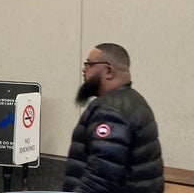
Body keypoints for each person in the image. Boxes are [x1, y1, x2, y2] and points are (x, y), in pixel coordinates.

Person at [63, 43, 164, 193]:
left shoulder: (109, 111)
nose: (84, 70)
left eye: (89, 64)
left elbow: (100, 179)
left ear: (108, 71)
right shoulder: (135, 101)